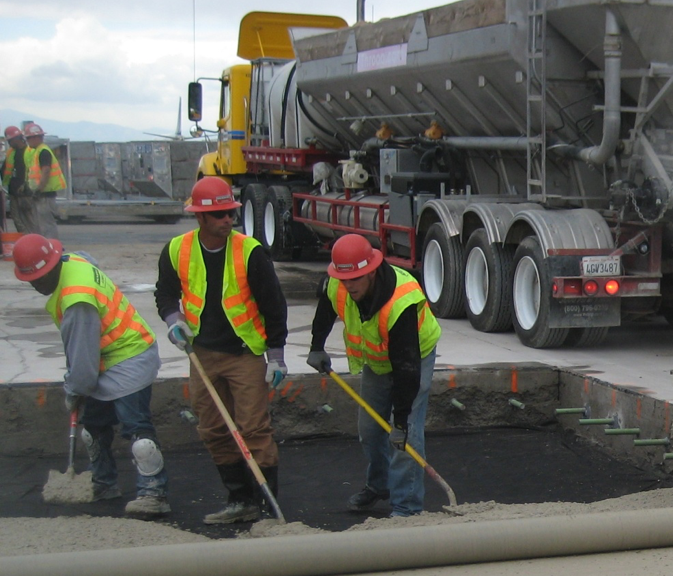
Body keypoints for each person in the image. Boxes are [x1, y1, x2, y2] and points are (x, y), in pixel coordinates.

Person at [155, 176, 288, 524]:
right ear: (200, 218)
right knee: (213, 428)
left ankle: (269, 509)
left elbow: (274, 306)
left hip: (244, 354)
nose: (228, 219)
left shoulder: (250, 252)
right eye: (219, 215)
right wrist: (173, 320)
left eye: (230, 212)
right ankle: (240, 501)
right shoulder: (176, 250)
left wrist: (276, 356)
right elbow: (165, 293)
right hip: (202, 355)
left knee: (253, 429)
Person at [13, 234, 171, 517]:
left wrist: (73, 391)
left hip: (130, 355)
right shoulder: (74, 260)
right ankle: (103, 483)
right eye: (31, 279)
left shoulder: (77, 300)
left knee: (138, 432)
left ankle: (153, 493)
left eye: (39, 278)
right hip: (107, 358)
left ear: (52, 267)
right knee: (93, 429)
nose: (36, 284)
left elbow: (84, 366)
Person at [307, 233, 441, 518]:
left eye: (355, 279)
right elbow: (325, 310)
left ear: (370, 271)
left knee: (403, 437)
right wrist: (317, 346)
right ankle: (380, 485)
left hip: (414, 357)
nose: (348, 285)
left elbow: (407, 369)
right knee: (370, 430)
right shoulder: (339, 283)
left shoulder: (400, 301)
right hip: (377, 361)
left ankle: (406, 507)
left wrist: (402, 421)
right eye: (344, 279)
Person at [20, 122, 64, 239]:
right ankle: (47, 248)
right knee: (41, 225)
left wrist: (39, 189)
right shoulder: (37, 151)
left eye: (28, 138)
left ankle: (51, 248)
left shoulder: (43, 151)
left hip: (45, 194)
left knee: (46, 225)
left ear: (36, 137)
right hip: (42, 194)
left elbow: (46, 171)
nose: (27, 141)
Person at [2, 126, 27, 232]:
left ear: (17, 138)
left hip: (26, 193)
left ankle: (31, 240)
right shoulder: (11, 152)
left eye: (11, 140)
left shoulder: (29, 151)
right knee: (17, 219)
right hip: (13, 192)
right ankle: (24, 240)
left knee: (28, 220)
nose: (10, 143)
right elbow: (4, 169)